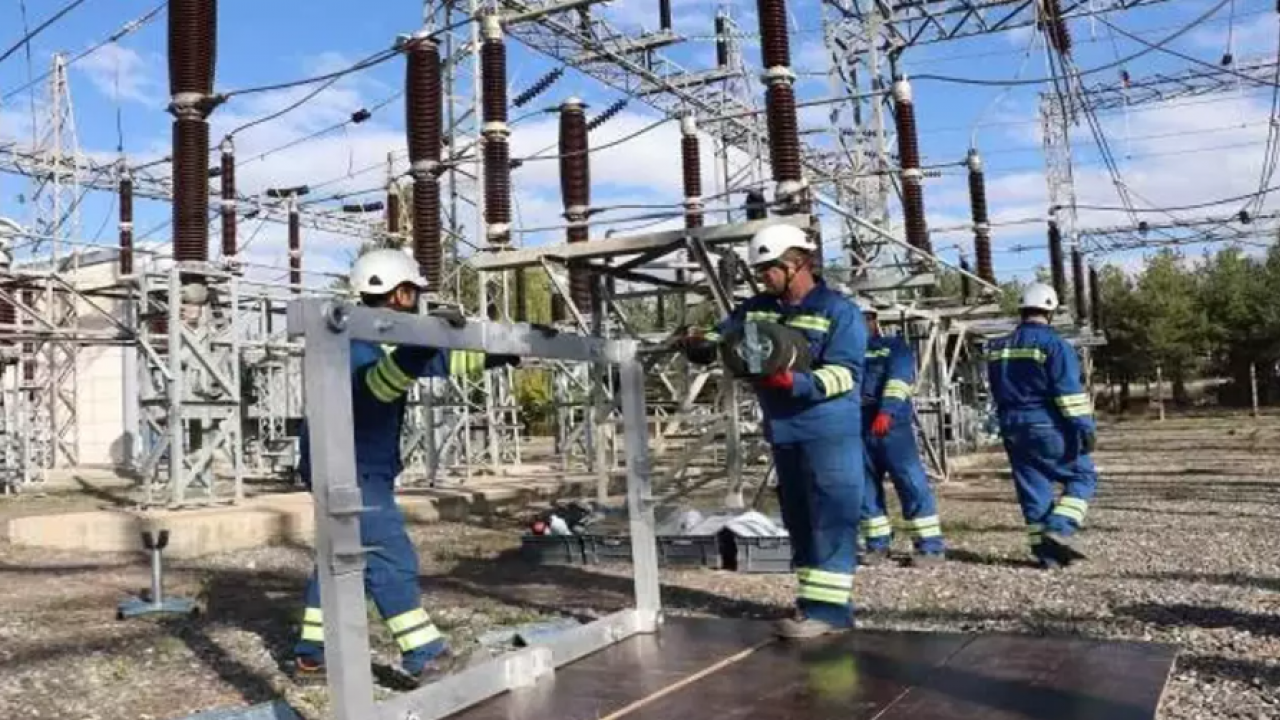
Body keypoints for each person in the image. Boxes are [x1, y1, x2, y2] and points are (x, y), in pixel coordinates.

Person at [291, 248, 518, 686]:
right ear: (398, 293)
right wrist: (421, 346)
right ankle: (425, 656)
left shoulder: (381, 338)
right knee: (390, 558)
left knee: (341, 558)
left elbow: (438, 361)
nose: (417, 300)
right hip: (350, 468)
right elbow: (378, 387)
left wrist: (498, 353)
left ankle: (312, 656)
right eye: (413, 291)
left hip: (355, 463)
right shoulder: (355, 340)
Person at [679, 224, 866, 639]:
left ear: (797, 263)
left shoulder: (838, 312)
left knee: (830, 516)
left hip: (828, 430)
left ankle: (831, 612)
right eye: (760, 271)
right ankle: (813, 604)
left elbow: (846, 375)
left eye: (769, 269)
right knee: (799, 519)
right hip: (784, 430)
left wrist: (794, 382)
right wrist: (700, 343)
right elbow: (724, 334)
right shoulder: (758, 308)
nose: (763, 277)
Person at [985, 282, 1097, 570]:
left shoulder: (997, 347)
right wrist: (1085, 428)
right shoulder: (1055, 346)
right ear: (1051, 311)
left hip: (1011, 425)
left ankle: (1047, 555)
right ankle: (1060, 526)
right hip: (1046, 423)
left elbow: (995, 388)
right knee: (1082, 475)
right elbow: (1069, 393)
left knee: (1033, 488)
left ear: (1022, 310)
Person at [856, 299, 945, 567]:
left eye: (864, 319)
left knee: (910, 481)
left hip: (891, 426)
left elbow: (899, 379)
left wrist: (887, 411)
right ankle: (877, 544)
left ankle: (929, 547)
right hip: (857, 424)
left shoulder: (894, 347)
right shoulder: (844, 352)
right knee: (864, 487)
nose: (859, 325)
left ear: (874, 320)